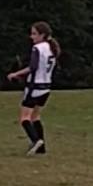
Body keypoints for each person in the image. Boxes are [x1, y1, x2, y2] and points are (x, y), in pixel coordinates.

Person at [7, 21, 61, 156]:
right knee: (35, 116)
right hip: (46, 87)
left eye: (34, 34)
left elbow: (33, 67)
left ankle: (36, 140)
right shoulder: (51, 48)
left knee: (24, 117)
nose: (32, 37)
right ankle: (41, 147)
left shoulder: (38, 48)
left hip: (34, 87)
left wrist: (16, 74)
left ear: (42, 35)